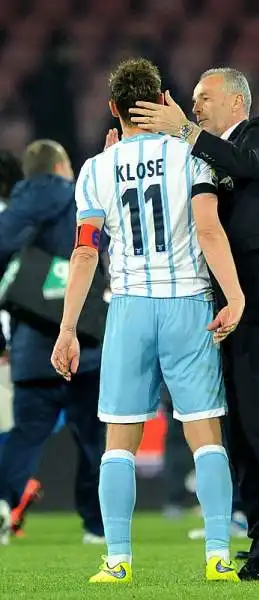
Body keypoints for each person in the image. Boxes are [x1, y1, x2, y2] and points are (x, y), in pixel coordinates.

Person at [129, 68, 259, 581]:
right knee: (240, 430)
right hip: (221, 305)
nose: (195, 105)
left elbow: (245, 166)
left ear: (235, 101)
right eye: (193, 100)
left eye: (204, 97)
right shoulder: (202, 153)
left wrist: (184, 131)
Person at [51, 58, 244, 585]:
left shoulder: (94, 170)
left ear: (113, 109)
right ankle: (218, 556)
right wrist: (235, 295)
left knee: (120, 442)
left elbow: (86, 253)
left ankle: (117, 560)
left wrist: (67, 329)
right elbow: (209, 230)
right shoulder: (191, 153)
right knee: (206, 435)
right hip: (188, 305)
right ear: (163, 101)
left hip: (129, 309)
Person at [0, 140, 105, 546]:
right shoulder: (86, 196)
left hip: (31, 346)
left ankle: (4, 506)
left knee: (25, 435)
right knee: (94, 437)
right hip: (86, 340)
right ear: (63, 166)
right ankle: (96, 526)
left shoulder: (14, 213)